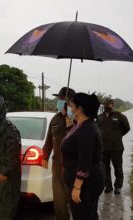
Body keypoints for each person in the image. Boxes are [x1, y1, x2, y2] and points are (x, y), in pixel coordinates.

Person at [61, 93, 105, 220]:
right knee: (89, 215)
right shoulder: (81, 125)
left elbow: (84, 161)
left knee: (82, 216)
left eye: (71, 104)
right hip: (86, 182)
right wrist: (69, 124)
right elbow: (75, 143)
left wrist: (77, 187)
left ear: (79, 108)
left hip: (86, 185)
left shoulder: (87, 129)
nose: (69, 106)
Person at [42, 87, 76, 220]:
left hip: (73, 169)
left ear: (70, 102)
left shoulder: (79, 120)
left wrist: (71, 125)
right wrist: (45, 156)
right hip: (57, 168)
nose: (59, 101)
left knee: (76, 205)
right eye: (59, 99)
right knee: (59, 204)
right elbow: (49, 140)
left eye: (62, 99)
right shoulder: (55, 119)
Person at [97, 98, 130, 194]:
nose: (107, 106)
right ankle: (108, 186)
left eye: (109, 104)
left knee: (118, 168)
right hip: (103, 148)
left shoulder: (119, 116)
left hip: (116, 148)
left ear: (113, 105)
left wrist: (118, 136)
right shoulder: (99, 117)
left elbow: (126, 128)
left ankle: (118, 186)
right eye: (105, 104)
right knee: (105, 168)